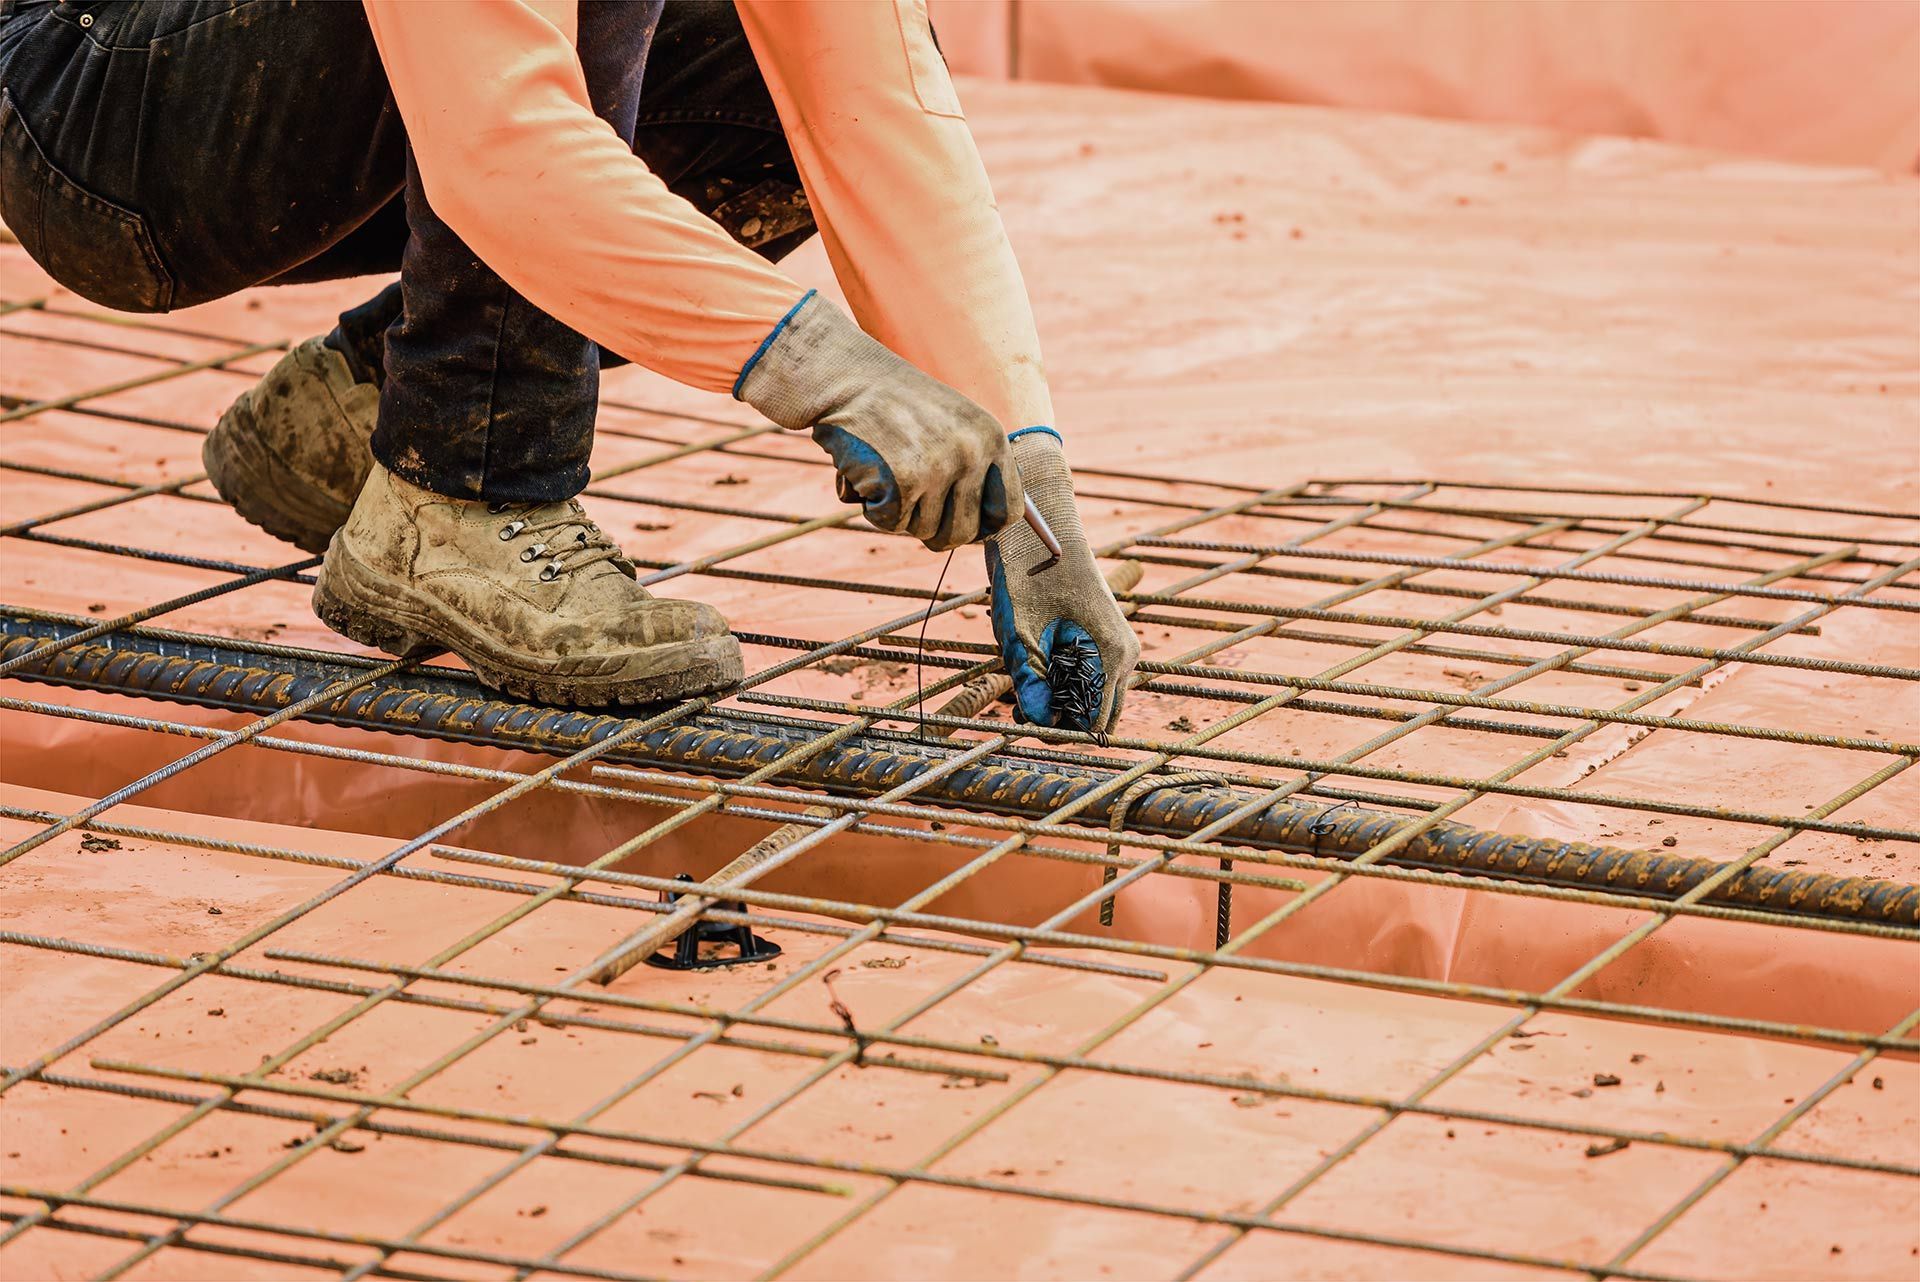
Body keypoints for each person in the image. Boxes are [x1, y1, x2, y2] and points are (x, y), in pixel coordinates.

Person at [0, 0, 1139, 730]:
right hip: (88, 88)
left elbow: (871, 94)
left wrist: (1029, 471)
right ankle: (460, 489)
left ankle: (371, 409)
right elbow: (502, 140)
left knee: (762, 78)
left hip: (308, 66)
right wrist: (831, 370)